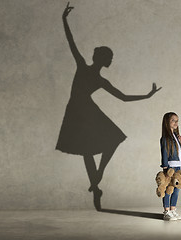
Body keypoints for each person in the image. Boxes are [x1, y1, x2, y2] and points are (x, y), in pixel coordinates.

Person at [56, 2, 161, 211]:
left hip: (87, 111)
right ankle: (96, 186)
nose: (111, 59)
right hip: (78, 112)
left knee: (113, 139)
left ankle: (97, 177)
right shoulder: (82, 66)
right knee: (86, 150)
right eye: (109, 56)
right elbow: (71, 42)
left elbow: (122, 97)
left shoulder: (101, 80)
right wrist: (64, 20)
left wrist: (147, 96)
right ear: (101, 57)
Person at [160, 112, 181, 221]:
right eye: (173, 120)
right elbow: (164, 153)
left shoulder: (175, 136)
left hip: (178, 166)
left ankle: (173, 209)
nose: (176, 123)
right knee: (168, 189)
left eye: (177, 121)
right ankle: (166, 211)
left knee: (177, 189)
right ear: (167, 122)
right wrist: (165, 168)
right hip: (170, 167)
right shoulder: (165, 138)